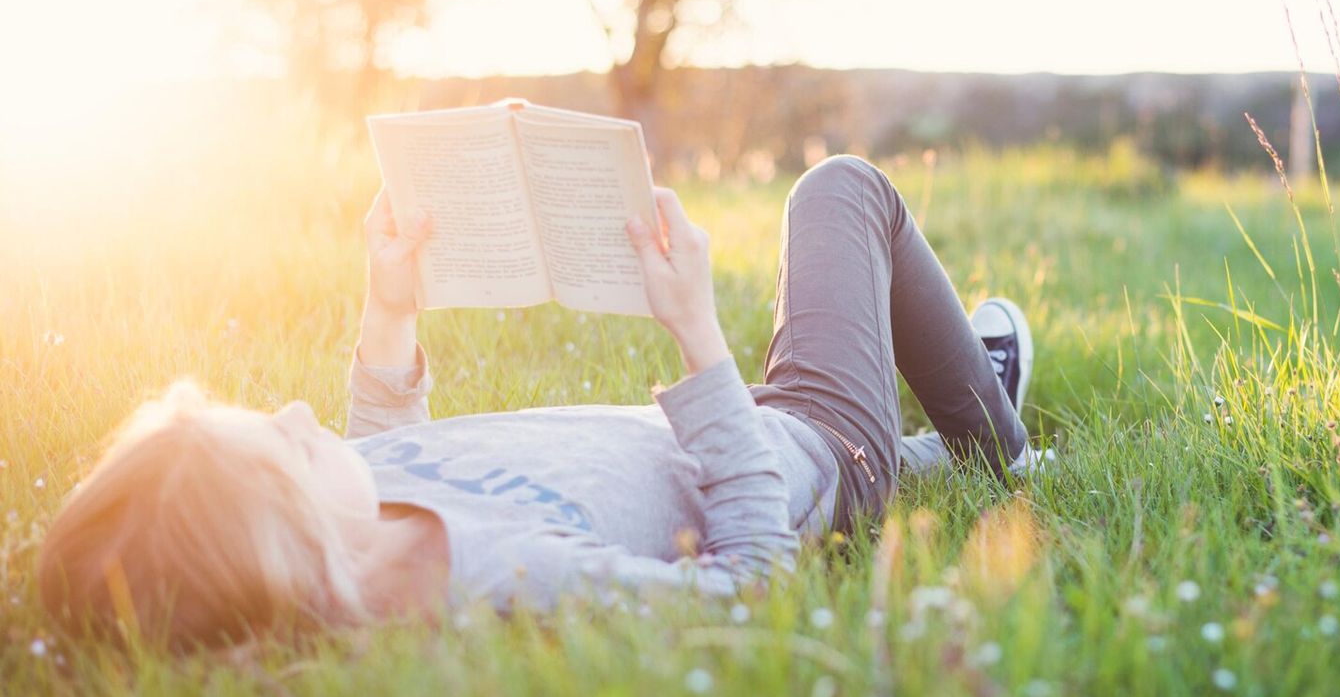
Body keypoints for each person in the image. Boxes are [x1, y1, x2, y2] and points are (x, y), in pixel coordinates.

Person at [35, 155, 1037, 652]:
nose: (300, 417)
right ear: (298, 554)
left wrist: (388, 311)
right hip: (805, 449)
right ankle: (995, 441)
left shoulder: (359, 525)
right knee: (842, 190)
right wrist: (694, 331)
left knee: (856, 361)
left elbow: (385, 456)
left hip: (718, 430)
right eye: (290, 452)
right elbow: (754, 590)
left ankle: (936, 436)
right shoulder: (504, 580)